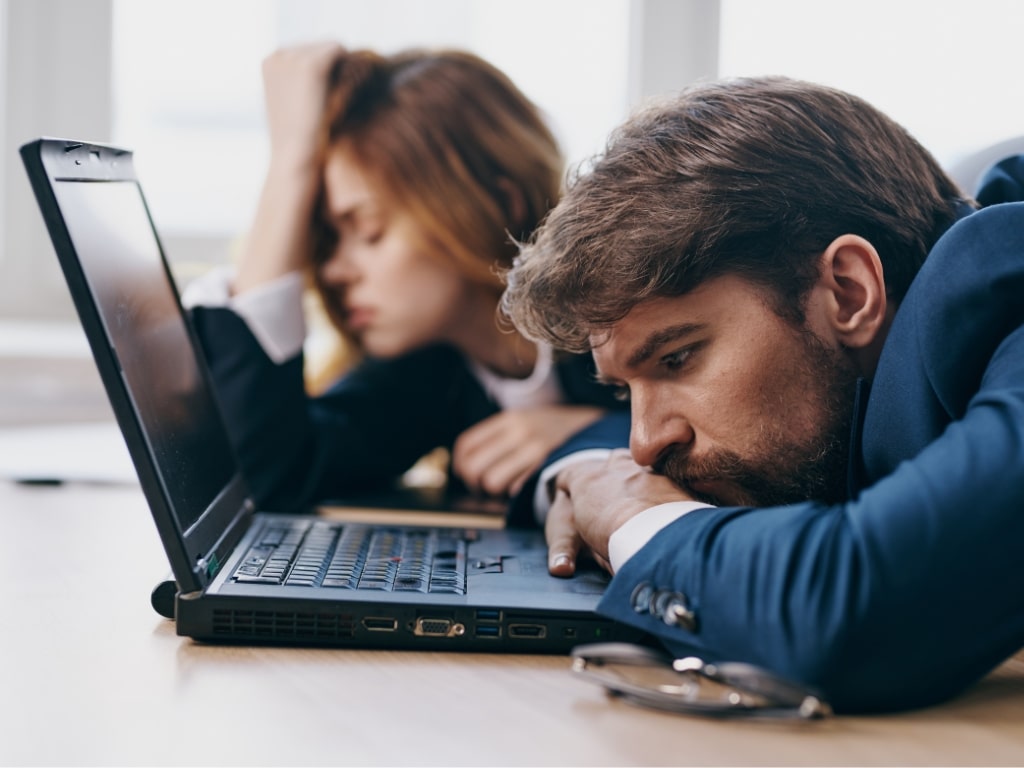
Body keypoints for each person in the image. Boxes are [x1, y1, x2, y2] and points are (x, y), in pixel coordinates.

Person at [501, 76, 1024, 713]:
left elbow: (858, 609)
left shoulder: (999, 279)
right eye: (624, 391)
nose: (642, 445)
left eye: (678, 357)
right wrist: (586, 474)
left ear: (849, 293)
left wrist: (634, 519)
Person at [184, 42, 625, 513]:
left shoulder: (624, 309)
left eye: (370, 231)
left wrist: (588, 434)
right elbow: (263, 475)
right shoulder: (429, 376)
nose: (332, 270)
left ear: (497, 206)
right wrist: (290, 162)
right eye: (329, 240)